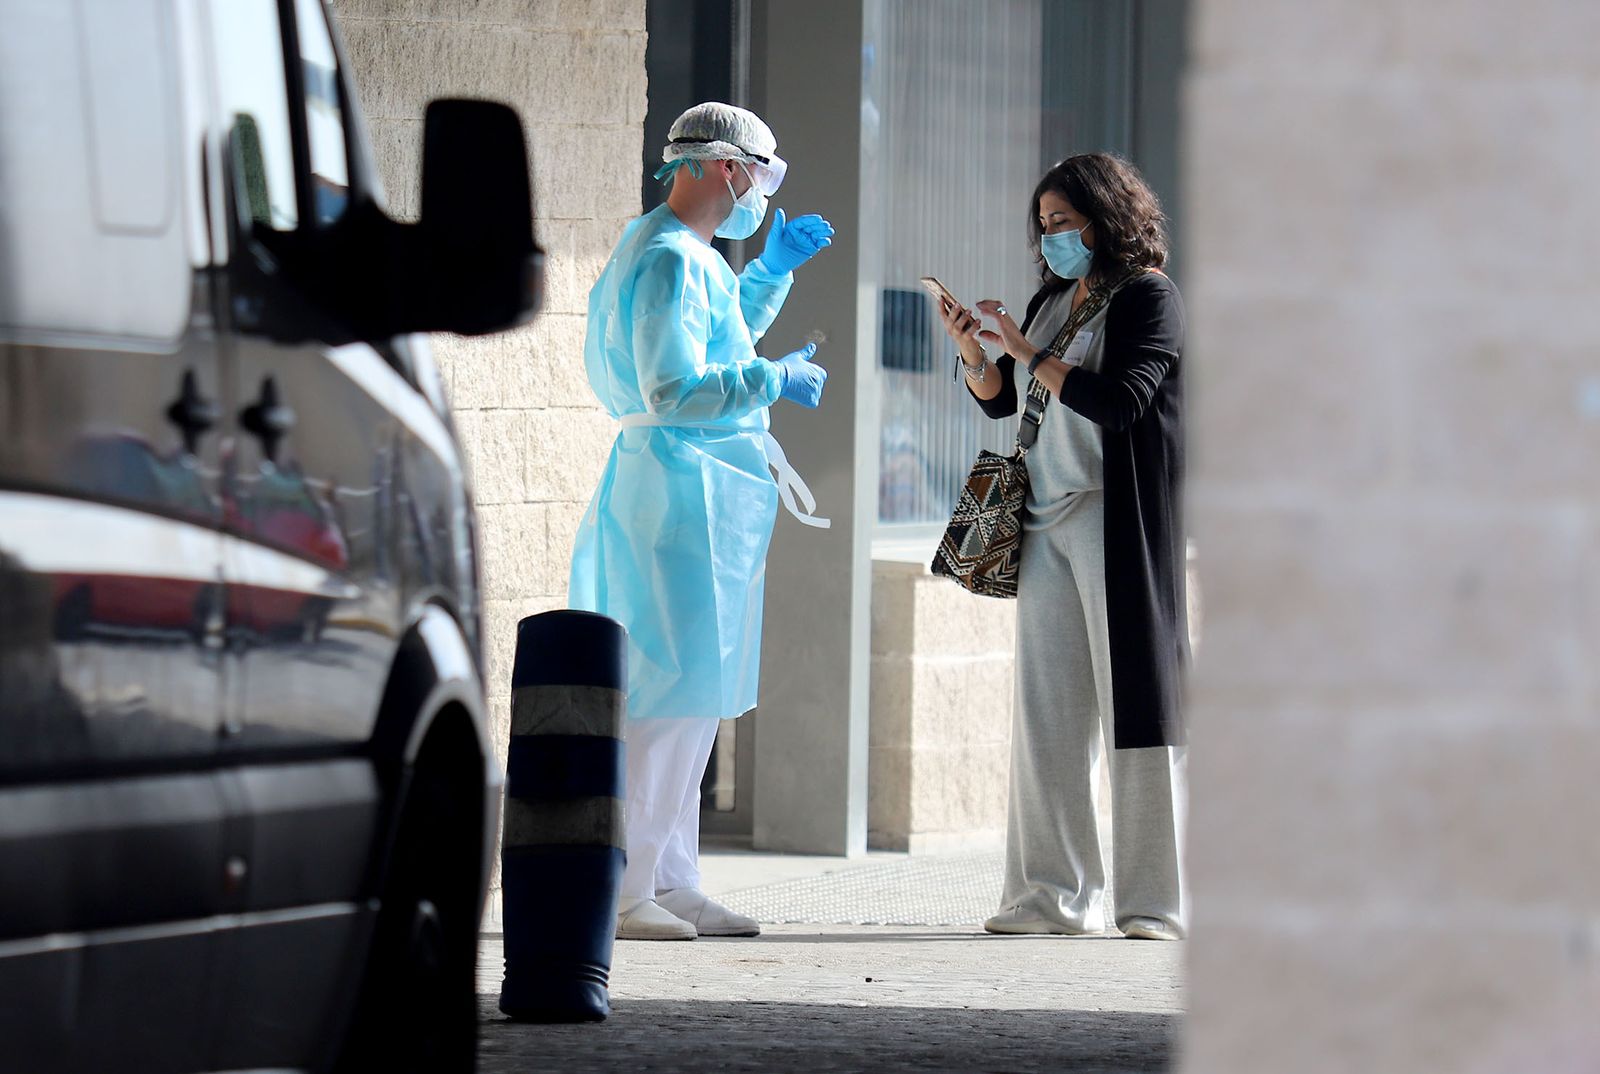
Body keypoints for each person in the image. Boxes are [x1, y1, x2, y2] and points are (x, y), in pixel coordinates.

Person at [568, 102, 835, 941]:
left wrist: (770, 277)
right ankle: (626, 888)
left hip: (696, 499)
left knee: (693, 696)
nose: (763, 193)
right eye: (763, 173)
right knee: (664, 699)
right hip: (675, 499)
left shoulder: (689, 257)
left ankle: (671, 877)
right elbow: (676, 390)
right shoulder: (664, 258)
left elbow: (719, 339)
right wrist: (774, 380)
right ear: (728, 167)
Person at [938, 152, 1187, 940]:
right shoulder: (1052, 300)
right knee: (1047, 717)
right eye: (1043, 224)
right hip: (1044, 520)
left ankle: (1153, 904)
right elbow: (1006, 402)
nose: (1050, 237)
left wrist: (1025, 349)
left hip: (1116, 520)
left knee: (1138, 713)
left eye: (1064, 222)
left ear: (1106, 219)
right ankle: (1048, 895)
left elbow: (1122, 402)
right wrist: (979, 352)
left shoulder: (1150, 299)